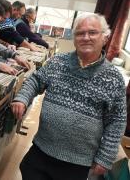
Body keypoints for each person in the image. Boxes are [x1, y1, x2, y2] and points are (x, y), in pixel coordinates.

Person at [11, 13, 127, 180]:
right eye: (80, 33)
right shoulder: (57, 62)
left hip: (78, 163)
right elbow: (35, 81)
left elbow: (117, 120)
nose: (86, 37)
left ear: (105, 38)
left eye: (93, 32)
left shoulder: (113, 78)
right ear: (74, 38)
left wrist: (105, 157)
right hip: (41, 150)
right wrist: (22, 98)